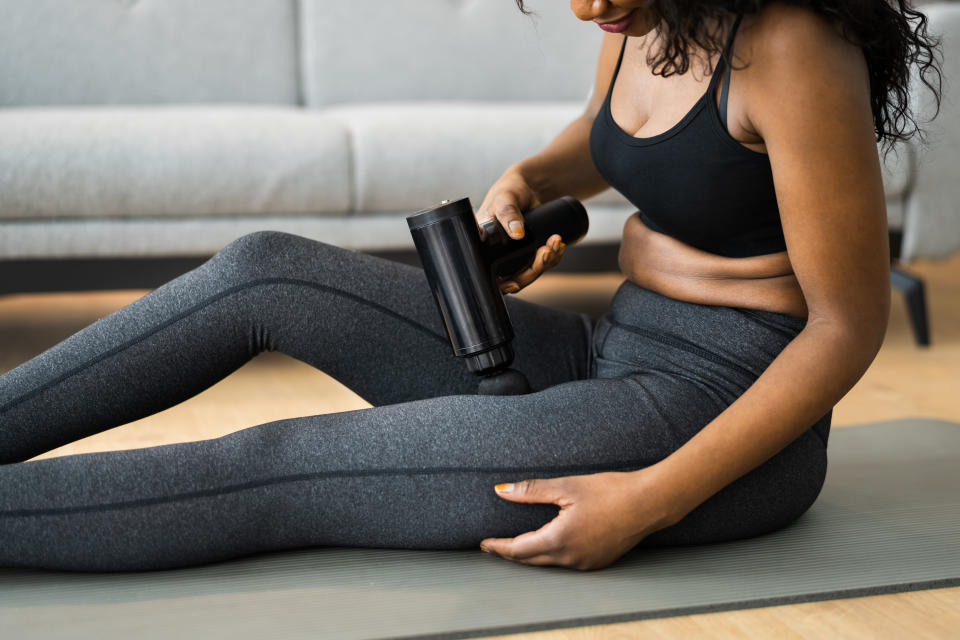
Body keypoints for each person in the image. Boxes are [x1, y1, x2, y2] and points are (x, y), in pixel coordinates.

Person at [0, 0, 942, 572]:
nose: (582, 12)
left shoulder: (792, 47)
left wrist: (647, 501)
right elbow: (603, 136)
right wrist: (533, 182)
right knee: (264, 271)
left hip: (716, 412)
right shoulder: (643, 15)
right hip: (609, 353)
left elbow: (846, 328)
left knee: (286, 460)